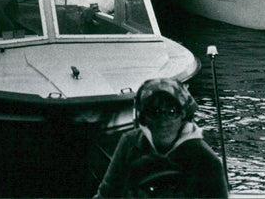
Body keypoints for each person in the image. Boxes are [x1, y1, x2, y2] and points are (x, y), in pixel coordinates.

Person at [95, 77, 228, 198]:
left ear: (183, 115)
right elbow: (106, 194)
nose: (163, 121)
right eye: (154, 112)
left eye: (171, 112)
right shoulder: (130, 143)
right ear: (144, 117)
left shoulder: (206, 160)